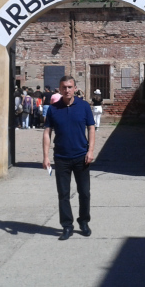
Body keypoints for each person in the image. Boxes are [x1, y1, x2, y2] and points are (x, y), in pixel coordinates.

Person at [43, 76, 95, 240]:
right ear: (59, 89)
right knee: (63, 194)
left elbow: (91, 128)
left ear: (75, 88)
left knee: (84, 192)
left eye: (70, 87)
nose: (67, 90)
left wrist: (90, 151)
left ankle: (84, 222)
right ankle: (67, 226)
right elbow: (47, 132)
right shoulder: (53, 109)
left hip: (81, 157)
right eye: (64, 87)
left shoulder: (84, 106)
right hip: (61, 157)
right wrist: (45, 156)